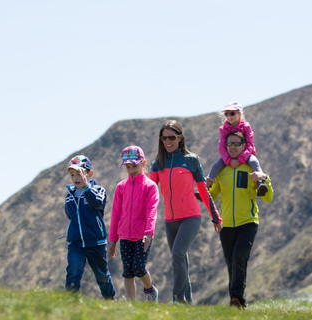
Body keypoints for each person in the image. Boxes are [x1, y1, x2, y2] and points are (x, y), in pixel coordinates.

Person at [149, 120, 223, 304]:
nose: (168, 141)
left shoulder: (191, 160)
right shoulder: (158, 163)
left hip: (191, 217)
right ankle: (188, 306)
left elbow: (204, 191)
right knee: (181, 262)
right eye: (164, 138)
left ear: (180, 138)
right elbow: (149, 191)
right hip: (169, 219)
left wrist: (215, 216)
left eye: (172, 137)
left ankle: (177, 300)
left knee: (178, 255)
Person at [209, 131, 274, 310]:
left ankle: (237, 299)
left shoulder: (252, 168)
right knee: (231, 263)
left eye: (237, 143)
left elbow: (268, 198)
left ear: (244, 145)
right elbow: (212, 195)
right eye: (229, 144)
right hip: (226, 225)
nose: (233, 147)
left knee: (240, 257)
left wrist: (264, 180)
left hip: (248, 222)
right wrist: (198, 192)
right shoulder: (222, 170)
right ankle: (236, 300)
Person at [108, 146, 160, 302]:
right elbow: (115, 214)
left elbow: (152, 211)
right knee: (128, 272)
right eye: (128, 167)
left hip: (142, 235)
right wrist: (112, 240)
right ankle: (132, 305)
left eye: (135, 166)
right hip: (124, 235)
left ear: (143, 163)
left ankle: (150, 290)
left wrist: (149, 233)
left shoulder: (150, 186)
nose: (131, 170)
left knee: (138, 268)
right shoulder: (120, 187)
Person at [64, 155, 116, 300]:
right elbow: (70, 215)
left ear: (89, 174)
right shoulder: (69, 195)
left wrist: (86, 187)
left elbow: (98, 204)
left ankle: (110, 300)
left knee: (102, 275)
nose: (75, 178)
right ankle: (70, 301)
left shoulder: (98, 190)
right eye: (72, 175)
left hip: (96, 242)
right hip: (76, 243)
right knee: (73, 270)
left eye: (79, 173)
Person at [206, 101, 268, 196]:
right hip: (229, 156)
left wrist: (240, 159)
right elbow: (222, 147)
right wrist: (229, 160)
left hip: (246, 155)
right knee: (216, 166)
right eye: (227, 114)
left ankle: (260, 183)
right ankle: (206, 186)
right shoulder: (223, 129)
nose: (229, 116)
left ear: (239, 113)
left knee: (254, 162)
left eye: (232, 113)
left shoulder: (246, 127)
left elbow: (249, 145)